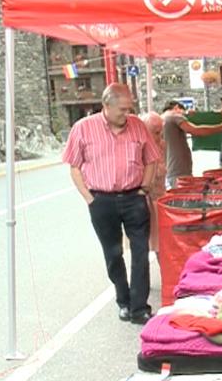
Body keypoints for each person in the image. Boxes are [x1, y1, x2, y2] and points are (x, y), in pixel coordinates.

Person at [62, 83, 161, 325]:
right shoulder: (83, 128)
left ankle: (139, 308)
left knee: (140, 252)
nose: (127, 115)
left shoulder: (137, 126)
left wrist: (144, 188)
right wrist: (89, 198)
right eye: (122, 110)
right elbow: (74, 166)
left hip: (133, 198)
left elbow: (152, 159)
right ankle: (123, 301)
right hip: (101, 200)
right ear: (106, 106)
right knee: (113, 254)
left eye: (129, 109)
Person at [161, 100, 222, 189]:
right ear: (176, 107)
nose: (183, 116)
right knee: (184, 198)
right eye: (183, 112)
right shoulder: (174, 116)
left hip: (169, 169)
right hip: (179, 169)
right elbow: (196, 131)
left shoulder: (161, 119)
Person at [140, 112, 167, 259]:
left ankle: (165, 275)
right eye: (156, 133)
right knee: (142, 244)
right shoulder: (138, 148)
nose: (159, 137)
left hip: (160, 198)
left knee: (162, 244)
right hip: (144, 201)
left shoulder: (162, 145)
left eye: (161, 132)